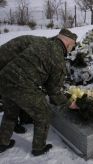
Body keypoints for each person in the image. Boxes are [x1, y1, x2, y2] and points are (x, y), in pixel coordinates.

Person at [0, 28, 77, 156]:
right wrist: (69, 103)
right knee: (44, 113)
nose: (72, 49)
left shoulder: (39, 41)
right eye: (73, 46)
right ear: (69, 44)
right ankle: (39, 148)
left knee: (10, 112)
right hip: (22, 85)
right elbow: (54, 92)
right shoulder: (58, 59)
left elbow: (13, 49)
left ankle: (2, 142)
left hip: (4, 79)